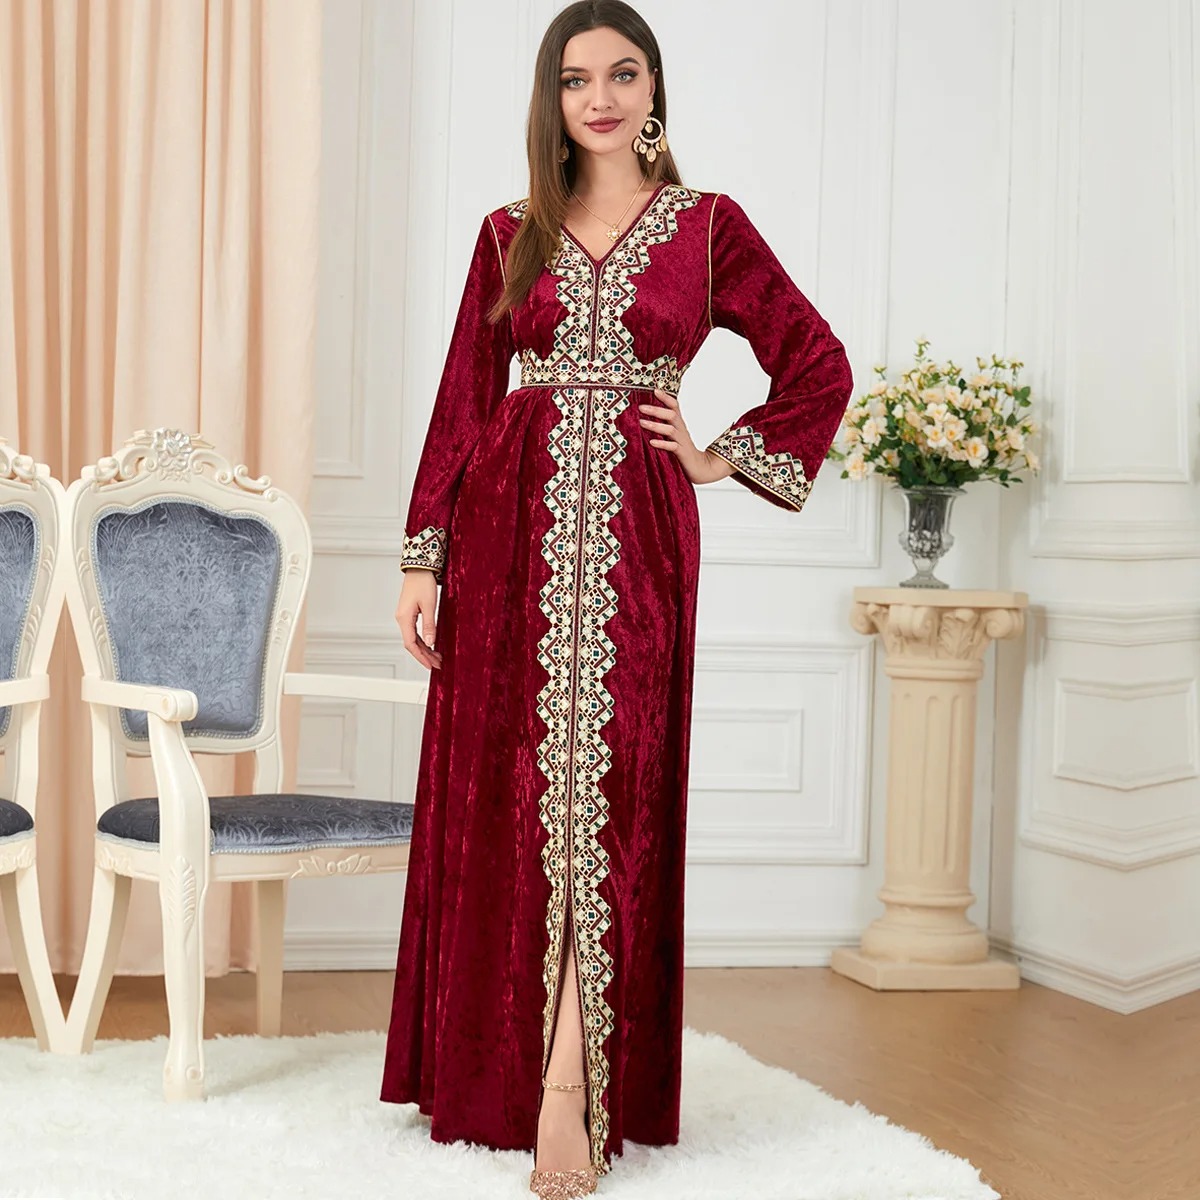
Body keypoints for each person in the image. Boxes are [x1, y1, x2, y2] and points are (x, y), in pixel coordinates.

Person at [379, 2, 854, 1195]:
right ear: (552, 98)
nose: (600, 97)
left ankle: (572, 1087)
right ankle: (514, 1080)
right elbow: (465, 396)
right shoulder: (511, 233)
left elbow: (818, 359)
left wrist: (720, 454)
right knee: (513, 801)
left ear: (653, 90)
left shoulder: (706, 228)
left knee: (612, 801)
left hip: (641, 540)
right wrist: (423, 555)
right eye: (576, 79)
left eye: (622, 74)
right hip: (506, 539)